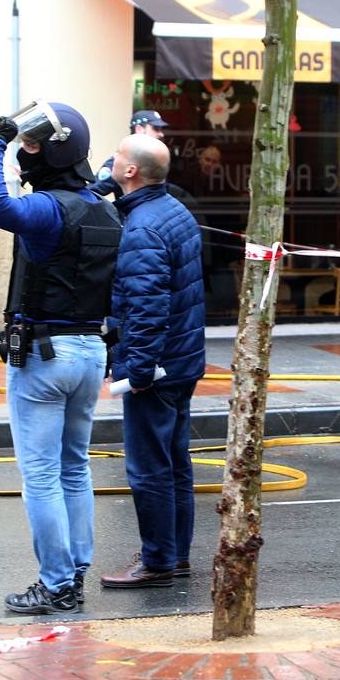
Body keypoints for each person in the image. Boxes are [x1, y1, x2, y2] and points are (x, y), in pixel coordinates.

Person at [0, 101, 122, 615]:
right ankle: (74, 575)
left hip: (46, 355)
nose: (23, 154)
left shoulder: (47, 210)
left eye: (32, 146)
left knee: (41, 475)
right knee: (75, 468)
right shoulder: (104, 209)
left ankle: (57, 583)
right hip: (89, 352)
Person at [99, 134, 206, 589]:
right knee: (175, 461)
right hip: (183, 361)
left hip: (156, 369)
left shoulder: (142, 228)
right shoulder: (174, 211)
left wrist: (137, 371)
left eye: (118, 156)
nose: (110, 159)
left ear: (130, 172)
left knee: (149, 468)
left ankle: (159, 560)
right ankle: (175, 554)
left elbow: (146, 306)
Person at [89, 109, 169, 197]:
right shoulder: (121, 161)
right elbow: (92, 192)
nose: (161, 134)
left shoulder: (158, 158)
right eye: (156, 129)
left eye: (161, 130)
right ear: (139, 129)